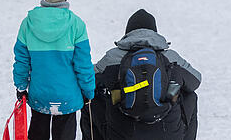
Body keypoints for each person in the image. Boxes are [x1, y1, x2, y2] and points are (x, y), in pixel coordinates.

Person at [83, 9, 201, 140]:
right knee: (190, 95)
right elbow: (196, 80)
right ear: (155, 32)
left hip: (122, 132)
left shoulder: (113, 56)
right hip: (169, 132)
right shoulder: (170, 57)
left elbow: (88, 80)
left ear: (128, 32)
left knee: (91, 98)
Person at [13, 0, 95, 140]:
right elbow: (83, 64)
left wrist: (21, 86)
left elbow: (22, 60)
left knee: (37, 132)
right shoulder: (77, 25)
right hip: (68, 95)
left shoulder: (28, 23)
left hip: (39, 94)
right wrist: (88, 90)